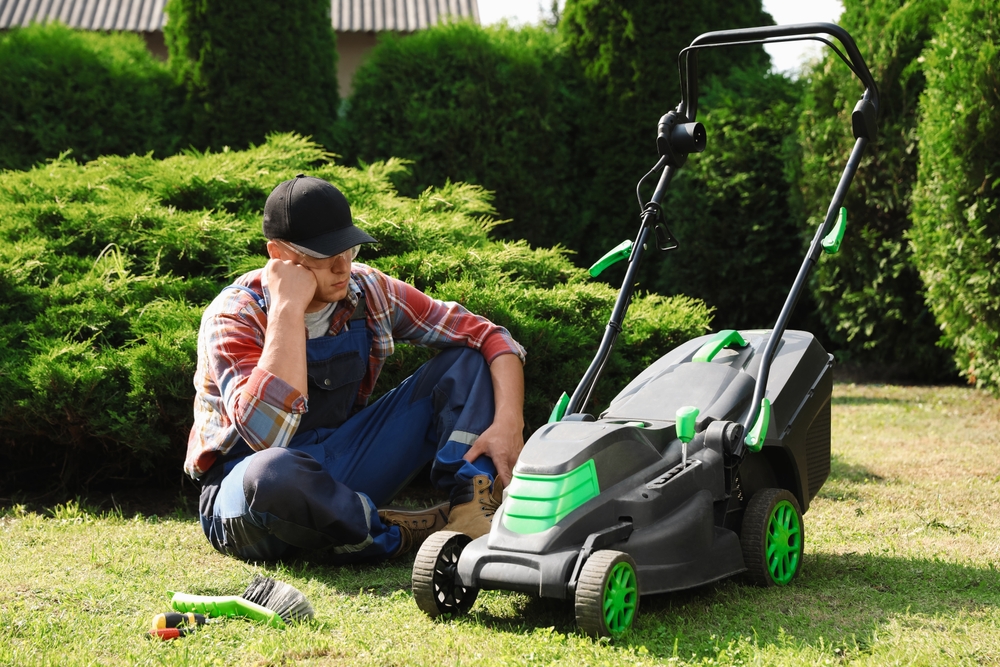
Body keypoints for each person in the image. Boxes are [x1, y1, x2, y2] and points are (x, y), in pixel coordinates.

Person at [184, 174, 526, 563]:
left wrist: (509, 423)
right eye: (324, 253)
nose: (342, 266)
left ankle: (470, 510)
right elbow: (267, 438)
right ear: (279, 255)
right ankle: (394, 536)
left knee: (466, 361)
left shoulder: (367, 291)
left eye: (348, 248)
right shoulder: (234, 315)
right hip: (246, 493)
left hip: (339, 464)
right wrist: (287, 310)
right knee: (273, 472)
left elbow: (491, 337)